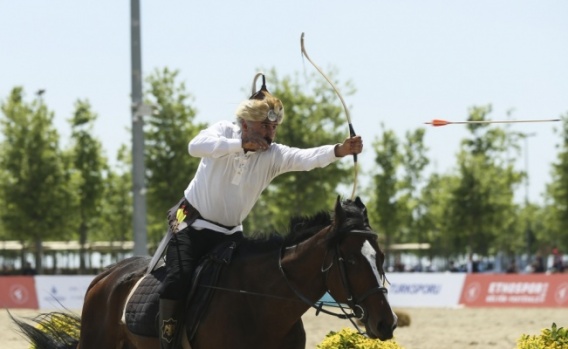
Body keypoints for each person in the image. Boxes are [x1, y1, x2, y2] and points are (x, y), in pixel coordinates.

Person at [157, 73, 363, 348]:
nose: (270, 132)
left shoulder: (273, 155)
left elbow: (306, 158)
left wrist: (339, 150)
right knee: (177, 279)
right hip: (188, 222)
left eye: (273, 128)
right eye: (264, 125)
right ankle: (167, 342)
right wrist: (239, 145)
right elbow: (195, 147)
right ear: (245, 123)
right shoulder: (222, 131)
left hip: (230, 234)